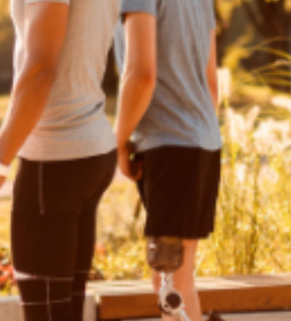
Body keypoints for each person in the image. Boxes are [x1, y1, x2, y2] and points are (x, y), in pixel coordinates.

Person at [0, 0, 119, 320]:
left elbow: (40, 69)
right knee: (65, 311)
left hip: (57, 159)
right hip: (91, 150)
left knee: (46, 313)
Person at [114, 0, 220, 320]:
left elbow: (141, 74)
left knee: (169, 281)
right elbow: (211, 83)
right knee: (177, 279)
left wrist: (118, 143)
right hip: (202, 140)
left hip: (170, 145)